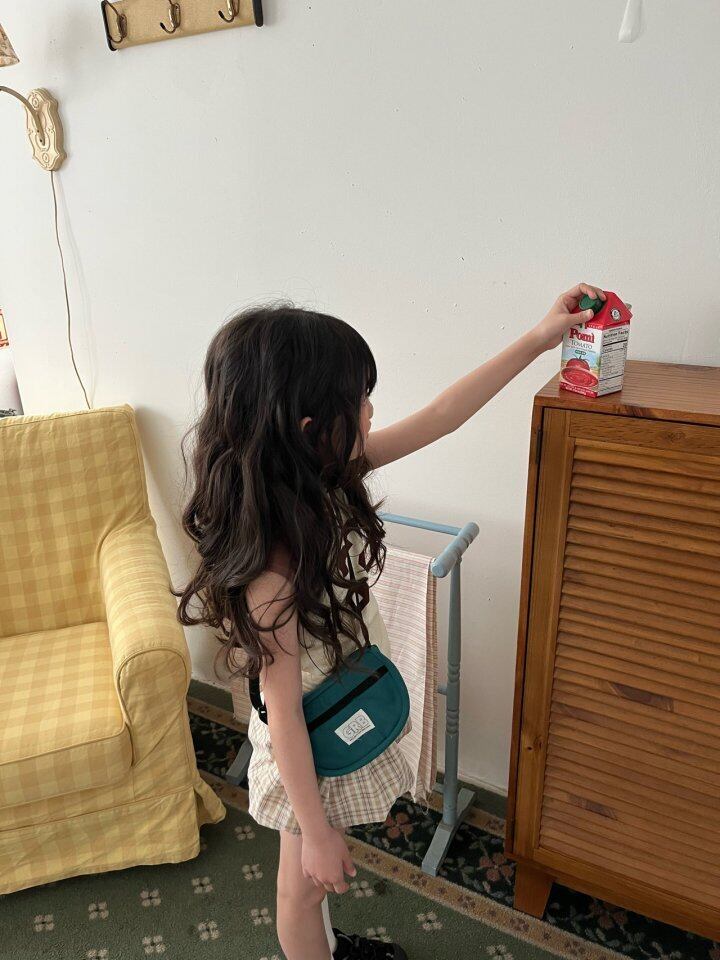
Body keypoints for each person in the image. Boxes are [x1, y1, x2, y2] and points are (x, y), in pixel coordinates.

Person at [176, 284, 605, 960]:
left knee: (308, 889)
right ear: (310, 428)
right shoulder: (272, 570)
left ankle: (322, 944)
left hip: (334, 709)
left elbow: (442, 415)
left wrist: (537, 338)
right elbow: (282, 715)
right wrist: (317, 831)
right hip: (307, 743)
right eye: (359, 400)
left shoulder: (328, 476)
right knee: (301, 889)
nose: (371, 410)